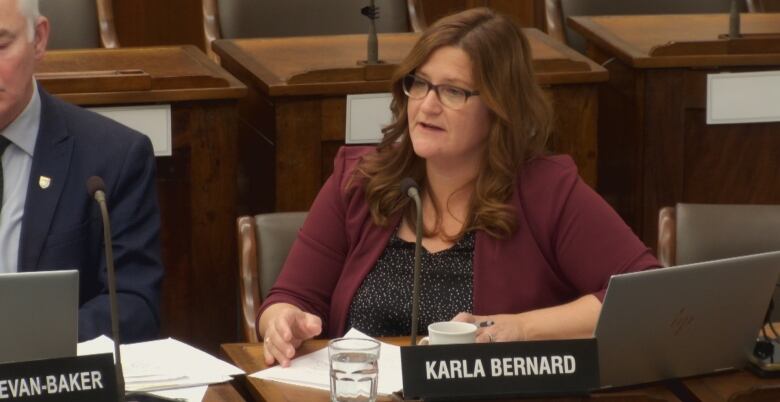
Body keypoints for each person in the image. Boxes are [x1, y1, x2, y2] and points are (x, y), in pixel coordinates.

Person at [259, 7, 659, 366]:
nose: (427, 105)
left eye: (452, 91)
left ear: (499, 108)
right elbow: (290, 298)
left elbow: (644, 295)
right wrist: (282, 321)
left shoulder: (546, 192)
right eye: (419, 84)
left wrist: (521, 328)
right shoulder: (361, 181)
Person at [0, 0, 163, 342]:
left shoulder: (112, 158)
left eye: (0, 45)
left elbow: (134, 305)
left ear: (39, 39)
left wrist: (29, 341)